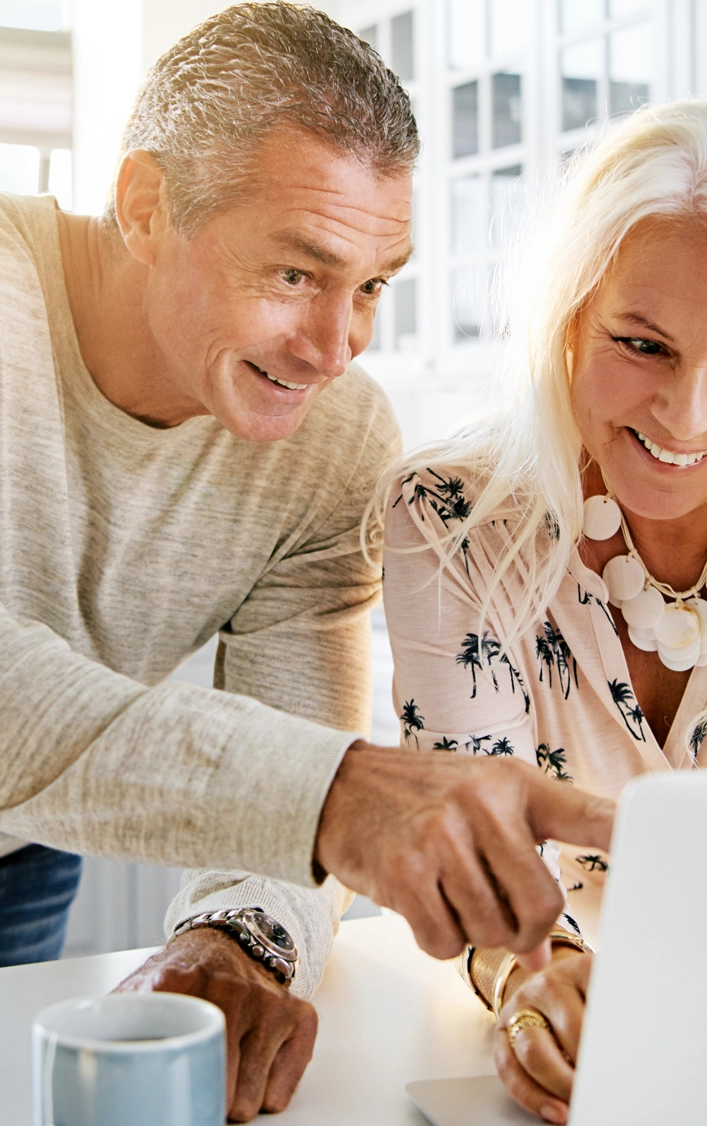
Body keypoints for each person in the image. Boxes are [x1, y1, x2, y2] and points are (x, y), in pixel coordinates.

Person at [0, 4, 613, 1120]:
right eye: (295, 272)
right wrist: (340, 793)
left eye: (375, 284)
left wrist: (235, 935)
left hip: (23, 855)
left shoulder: (333, 445)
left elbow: (297, 734)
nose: (338, 348)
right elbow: (313, 782)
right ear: (147, 206)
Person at [380, 98, 707, 1124]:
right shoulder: (450, 518)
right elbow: (475, 850)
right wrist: (535, 989)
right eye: (644, 345)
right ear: (571, 317)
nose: (686, 415)